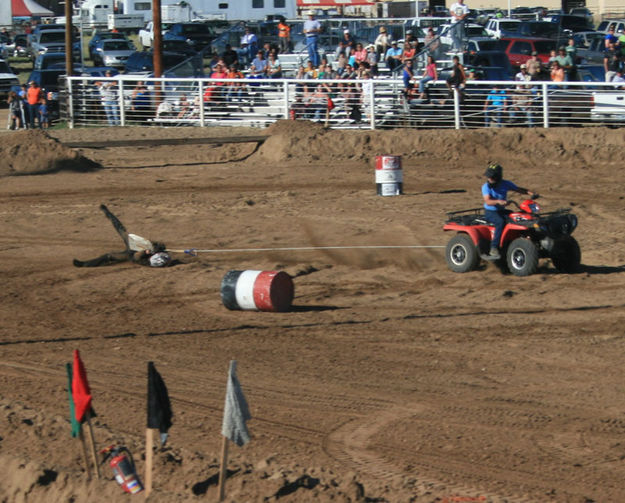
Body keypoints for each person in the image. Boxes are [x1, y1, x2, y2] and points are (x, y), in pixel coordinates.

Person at [73, 205, 171, 268]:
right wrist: (155, 246)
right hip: (135, 246)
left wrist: (146, 252)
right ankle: (108, 213)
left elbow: (137, 257)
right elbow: (157, 245)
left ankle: (84, 264)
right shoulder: (159, 255)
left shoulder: (146, 261)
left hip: (131, 255)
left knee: (109, 256)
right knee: (121, 229)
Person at [482, 163, 536, 259]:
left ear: (498, 177)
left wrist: (531, 193)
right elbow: (488, 201)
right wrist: (498, 201)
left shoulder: (505, 184)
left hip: (501, 210)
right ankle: (494, 248)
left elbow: (519, 189)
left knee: (517, 217)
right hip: (490, 212)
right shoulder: (485, 187)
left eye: (492, 177)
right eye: (488, 177)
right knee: (500, 222)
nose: (489, 179)